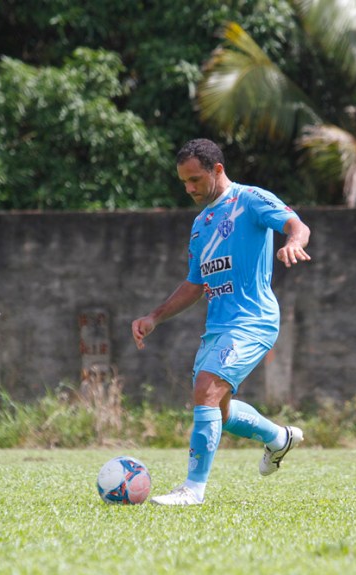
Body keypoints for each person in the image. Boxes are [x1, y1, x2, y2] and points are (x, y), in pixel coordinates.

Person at [131, 138, 311, 505]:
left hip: (253, 320)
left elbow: (297, 225)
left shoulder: (250, 199)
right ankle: (279, 438)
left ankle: (193, 490)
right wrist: (154, 316)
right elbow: (195, 283)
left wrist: (293, 242)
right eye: (184, 182)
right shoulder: (200, 224)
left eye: (195, 180)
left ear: (217, 170)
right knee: (220, 410)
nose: (189, 189)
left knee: (206, 390)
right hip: (218, 328)